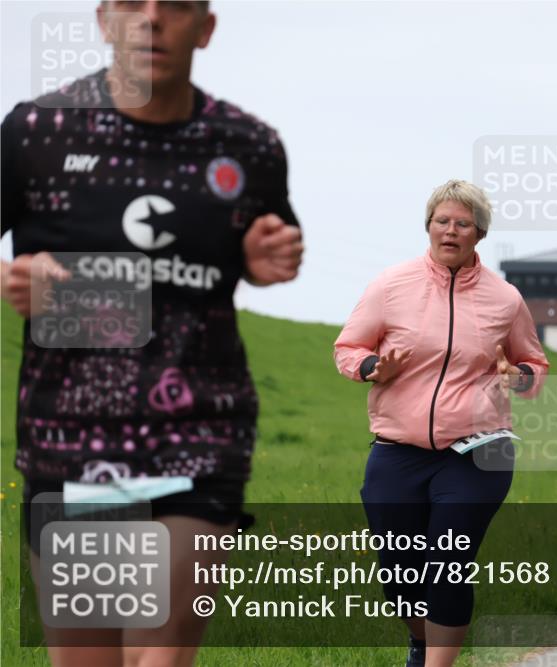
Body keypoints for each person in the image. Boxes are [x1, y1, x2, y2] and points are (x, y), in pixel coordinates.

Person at [1, 2, 303, 665]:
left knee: (162, 655)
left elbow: (270, 245)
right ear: (105, 20)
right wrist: (13, 280)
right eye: (133, 5)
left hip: (200, 429)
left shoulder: (249, 146)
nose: (152, 20)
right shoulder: (36, 133)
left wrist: (266, 261)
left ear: (206, 27)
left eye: (175, 6)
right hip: (70, 438)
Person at [334, 180, 548, 667]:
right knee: (398, 574)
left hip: (478, 451)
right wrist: (372, 368)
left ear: (480, 234)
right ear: (428, 227)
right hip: (397, 450)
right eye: (442, 221)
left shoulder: (505, 299)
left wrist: (517, 377)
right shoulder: (391, 285)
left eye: (463, 223)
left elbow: (535, 366)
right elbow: (348, 347)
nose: (451, 231)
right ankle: (421, 640)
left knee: (448, 565)